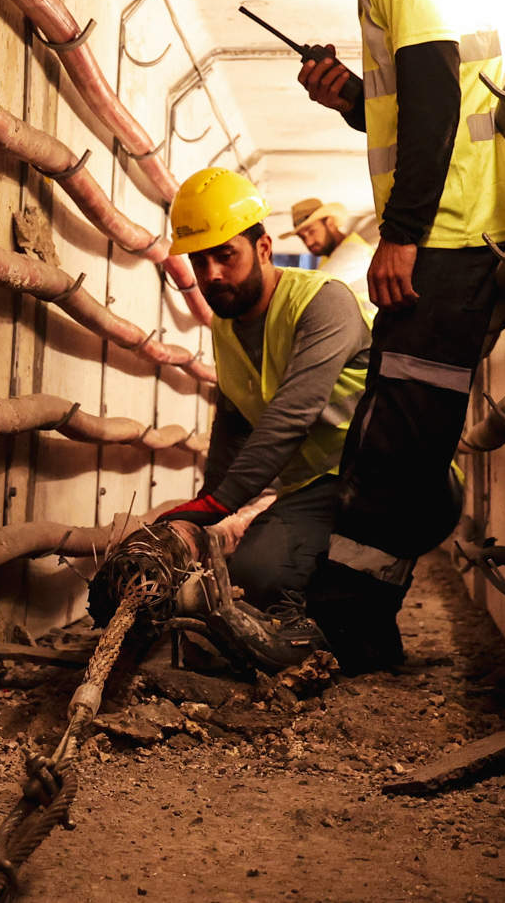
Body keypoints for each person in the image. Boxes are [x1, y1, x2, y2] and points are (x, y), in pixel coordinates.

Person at [253, 0, 505, 669]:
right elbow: (416, 101)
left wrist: (402, 238)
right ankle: (355, 627)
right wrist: (346, 99)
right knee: (394, 438)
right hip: (455, 229)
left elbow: (438, 101)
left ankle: (347, 634)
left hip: (449, 236)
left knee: (393, 449)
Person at [156, 168, 371, 669]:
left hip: (385, 479)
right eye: (199, 259)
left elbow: (290, 416)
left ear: (265, 248)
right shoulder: (226, 324)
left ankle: (359, 626)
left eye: (225, 254)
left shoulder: (323, 301)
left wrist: (215, 504)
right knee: (255, 575)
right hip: (319, 486)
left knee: (358, 603)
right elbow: (232, 422)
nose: (211, 274)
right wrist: (203, 517)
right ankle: (339, 627)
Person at [288, 198, 374, 290]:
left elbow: (311, 289)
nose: (308, 242)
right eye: (302, 237)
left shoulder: (353, 251)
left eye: (311, 231)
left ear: (330, 223)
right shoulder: (330, 254)